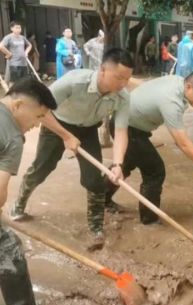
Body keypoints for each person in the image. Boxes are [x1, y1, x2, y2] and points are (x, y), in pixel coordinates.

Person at [10, 49, 133, 251]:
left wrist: (118, 163)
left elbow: (120, 131)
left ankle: (95, 228)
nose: (123, 84)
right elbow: (41, 108)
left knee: (94, 179)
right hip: (56, 124)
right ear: (103, 70)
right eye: (119, 77)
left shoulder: (123, 97)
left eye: (127, 79)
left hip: (87, 130)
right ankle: (19, 204)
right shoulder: (75, 81)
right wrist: (66, 135)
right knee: (42, 168)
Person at [105, 70, 193, 223]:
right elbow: (183, 144)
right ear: (188, 87)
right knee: (155, 171)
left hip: (132, 124)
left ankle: (100, 199)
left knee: (125, 165)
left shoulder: (178, 81)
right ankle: (149, 221)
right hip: (126, 127)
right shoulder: (172, 101)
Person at [0, 79, 60, 305]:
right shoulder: (13, 137)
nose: (37, 125)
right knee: (8, 248)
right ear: (18, 105)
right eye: (38, 116)